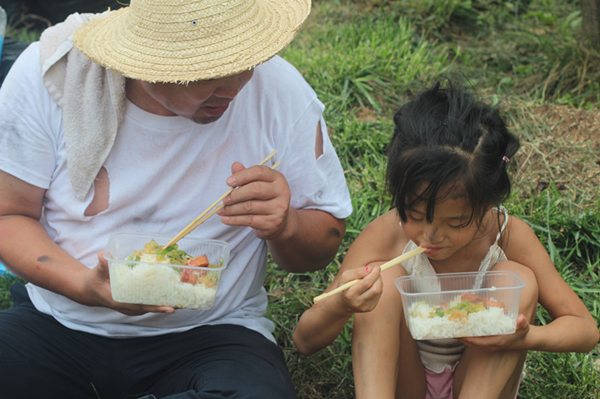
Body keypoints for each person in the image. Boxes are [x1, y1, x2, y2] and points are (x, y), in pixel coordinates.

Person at [0, 0, 352, 398]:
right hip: (60, 324)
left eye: (244, 61)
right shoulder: (54, 75)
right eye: (210, 72)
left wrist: (286, 225)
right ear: (146, 61)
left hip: (212, 333)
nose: (235, 87)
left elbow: (323, 243)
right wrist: (86, 286)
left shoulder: (279, 92)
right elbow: (9, 216)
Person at [293, 81, 599, 399]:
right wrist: (341, 306)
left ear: (486, 204)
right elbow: (305, 339)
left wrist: (525, 338)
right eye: (413, 213)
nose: (431, 235)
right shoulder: (388, 234)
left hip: (480, 384)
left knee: (519, 279)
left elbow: (585, 330)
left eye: (455, 222)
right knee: (382, 279)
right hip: (403, 383)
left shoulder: (506, 235)